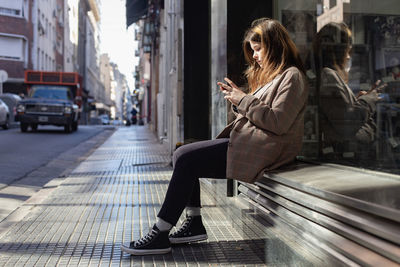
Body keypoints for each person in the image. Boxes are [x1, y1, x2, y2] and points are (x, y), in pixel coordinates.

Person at [120, 18, 309, 256]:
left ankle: (160, 232)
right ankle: (194, 223)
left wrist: (242, 99)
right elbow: (258, 113)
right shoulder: (274, 76)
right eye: (253, 50)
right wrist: (236, 100)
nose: (255, 56)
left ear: (274, 45)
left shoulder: (292, 77)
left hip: (266, 150)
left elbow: (277, 122)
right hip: (253, 144)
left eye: (259, 49)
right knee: (182, 151)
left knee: (187, 160)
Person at [313, 22, 384, 159]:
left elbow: (339, 112)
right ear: (338, 50)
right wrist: (368, 100)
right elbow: (347, 124)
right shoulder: (328, 75)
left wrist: (358, 101)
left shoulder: (325, 75)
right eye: (347, 49)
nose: (348, 56)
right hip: (342, 157)